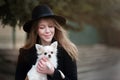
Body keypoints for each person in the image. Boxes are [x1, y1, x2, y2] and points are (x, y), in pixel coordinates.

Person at [15, 4, 78, 80]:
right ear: (36, 30)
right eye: (42, 27)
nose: (47, 31)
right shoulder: (25, 53)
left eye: (50, 26)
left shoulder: (68, 50)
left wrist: (53, 72)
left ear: (55, 27)